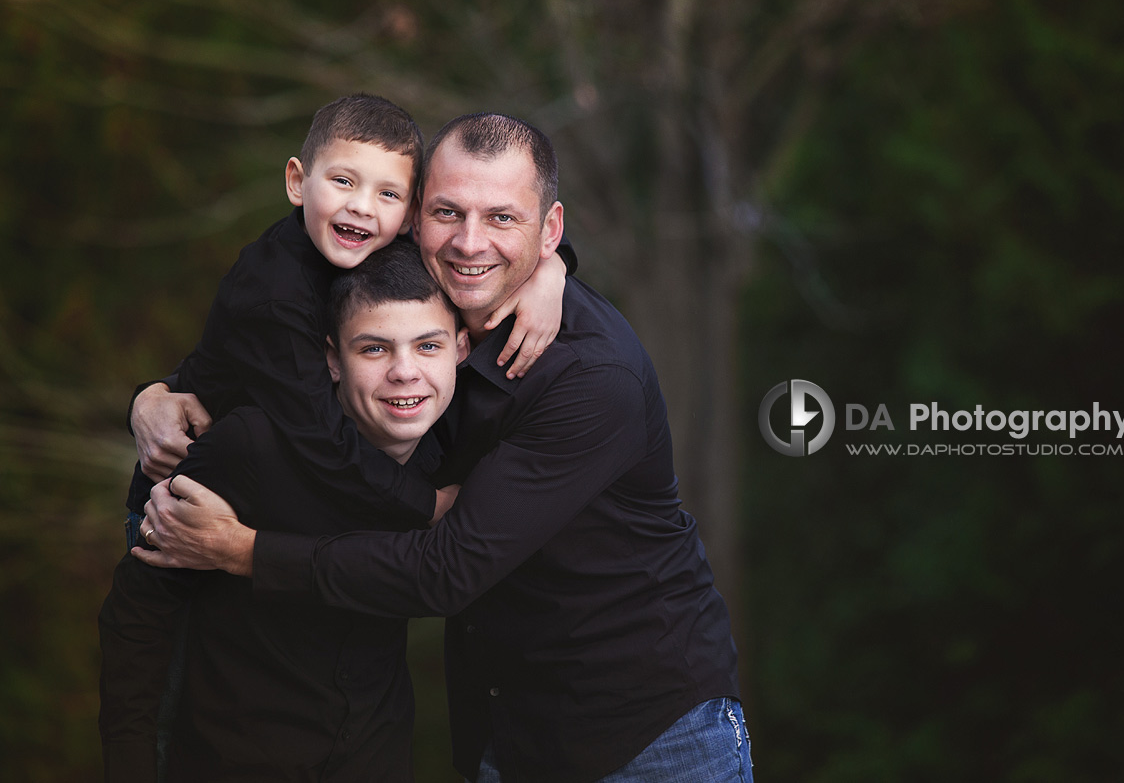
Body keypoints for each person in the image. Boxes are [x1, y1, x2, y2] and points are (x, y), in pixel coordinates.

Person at [135, 113, 753, 783]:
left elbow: (446, 570)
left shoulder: (592, 379)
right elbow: (268, 334)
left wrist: (242, 549)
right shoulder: (419, 308)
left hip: (649, 737)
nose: (468, 242)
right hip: (510, 730)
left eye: (501, 219)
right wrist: (161, 392)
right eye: (447, 212)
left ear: (549, 230)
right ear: (412, 217)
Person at [123, 93, 570, 545]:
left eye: (387, 193)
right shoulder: (277, 295)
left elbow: (500, 239)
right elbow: (323, 441)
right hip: (186, 502)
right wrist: (429, 504)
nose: (362, 206)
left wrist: (552, 270)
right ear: (298, 182)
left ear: (410, 215)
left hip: (284, 489)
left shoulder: (375, 246)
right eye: (343, 181)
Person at [99, 241, 468, 781]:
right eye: (374, 349)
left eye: (428, 346)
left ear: (461, 347)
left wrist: (554, 271)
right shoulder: (251, 444)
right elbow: (138, 613)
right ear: (330, 359)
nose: (405, 372)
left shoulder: (458, 457)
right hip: (235, 760)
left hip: (375, 756)